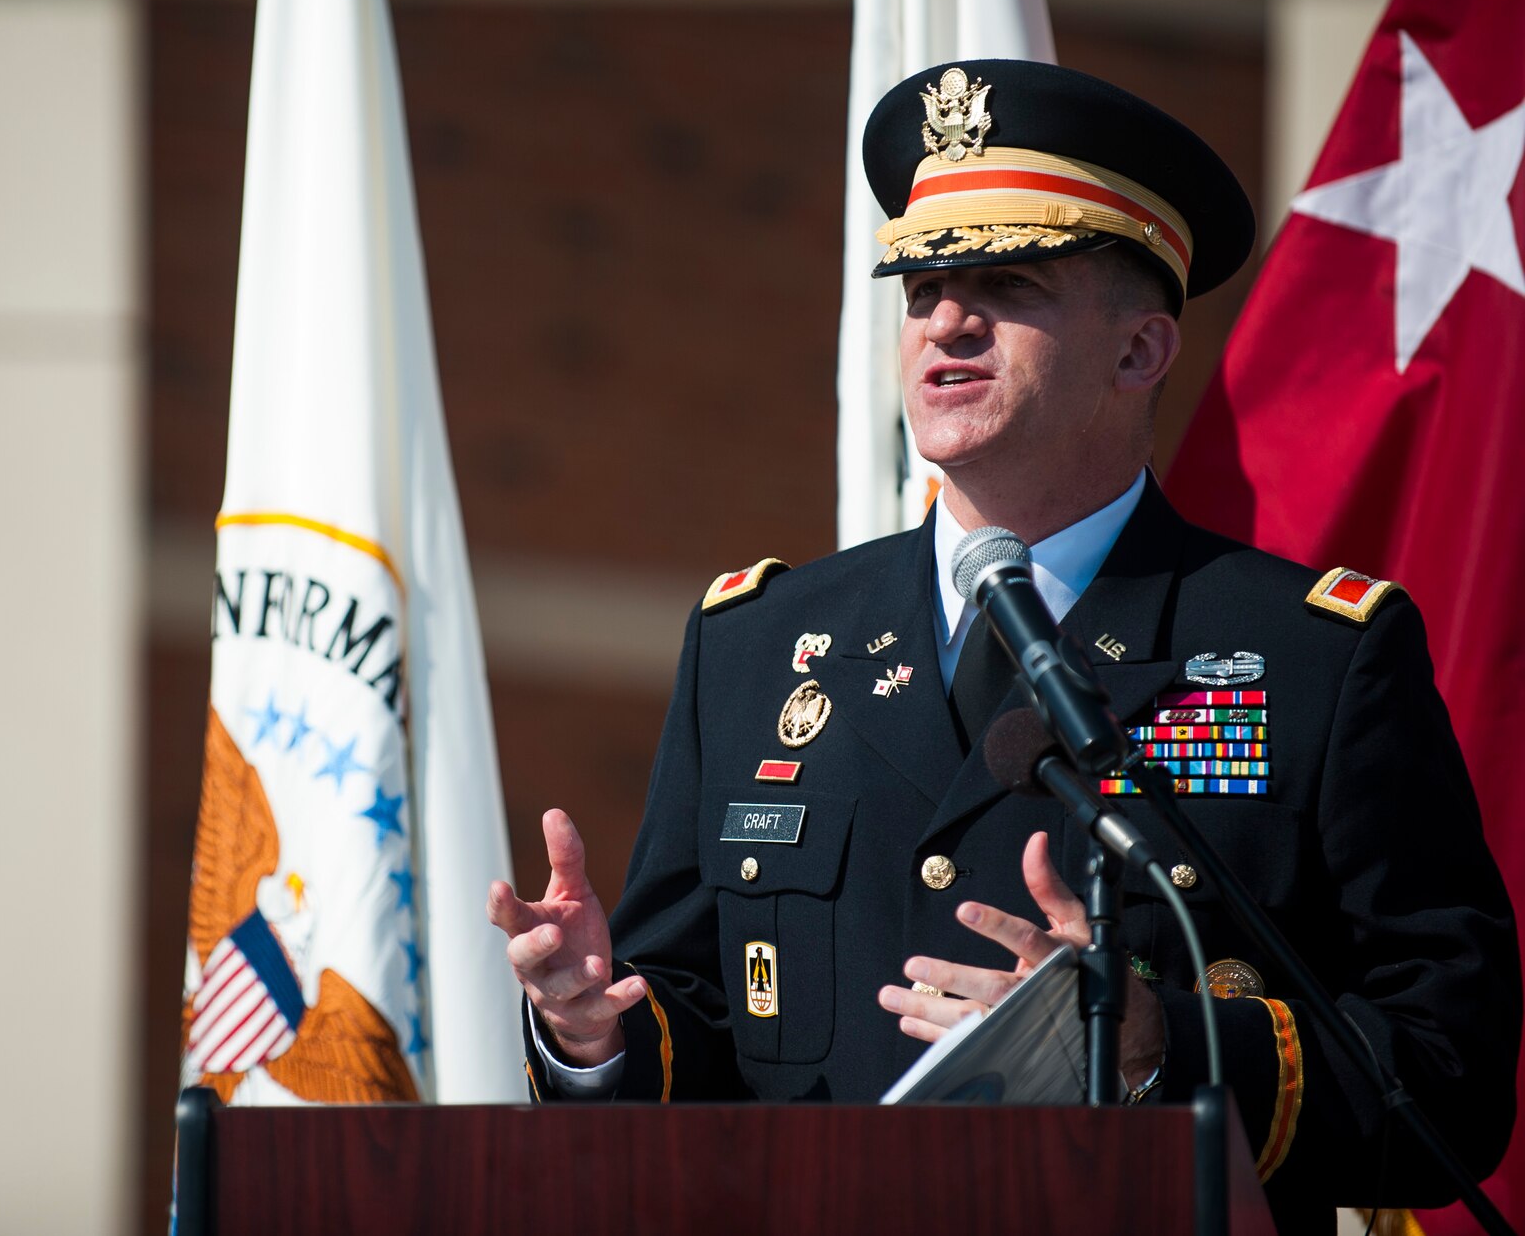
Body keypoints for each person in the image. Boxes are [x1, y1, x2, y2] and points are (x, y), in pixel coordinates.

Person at [487, 59, 1519, 1233]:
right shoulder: (759, 642)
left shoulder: (1309, 654)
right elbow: (696, 1031)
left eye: (1005, 281)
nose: (944, 320)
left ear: (1138, 352)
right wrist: (590, 1027)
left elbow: (1448, 1077)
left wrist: (1150, 1037)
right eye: (920, 283)